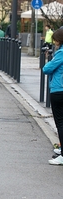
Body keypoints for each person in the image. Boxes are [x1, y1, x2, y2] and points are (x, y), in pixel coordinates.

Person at [42, 28, 63, 165]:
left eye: (55, 39)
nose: (54, 41)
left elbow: (47, 69)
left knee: (60, 122)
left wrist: (48, 61)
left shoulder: (61, 53)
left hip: (59, 89)